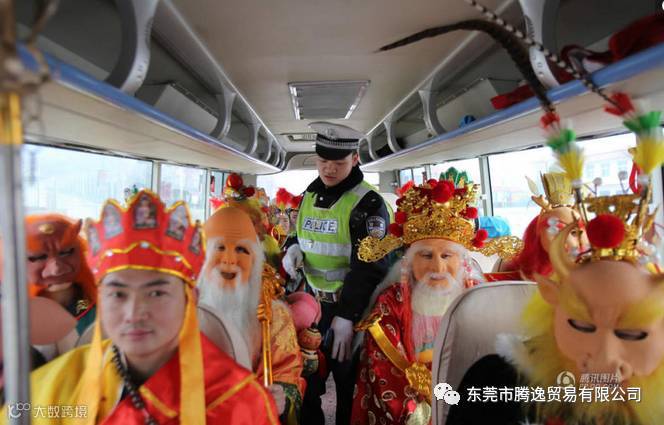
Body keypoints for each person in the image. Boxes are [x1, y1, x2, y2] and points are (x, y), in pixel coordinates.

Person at [2, 191, 279, 424]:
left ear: (190, 300)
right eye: (118, 294)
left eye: (156, 293)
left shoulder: (238, 402)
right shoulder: (50, 389)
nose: (134, 313)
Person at [351, 175, 520, 424]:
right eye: (427, 256)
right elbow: (384, 370)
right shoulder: (392, 302)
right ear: (410, 261)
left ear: (461, 261)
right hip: (417, 404)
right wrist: (421, 413)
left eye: (447, 255)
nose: (438, 268)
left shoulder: (478, 297)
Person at [281, 122, 392, 425]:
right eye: (322, 161)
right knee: (307, 381)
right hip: (313, 306)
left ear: (355, 159)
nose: (328, 169)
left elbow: (371, 266)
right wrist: (293, 247)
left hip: (352, 310)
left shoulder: (368, 203)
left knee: (349, 388)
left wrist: (347, 316)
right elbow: (300, 231)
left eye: (338, 163)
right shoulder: (310, 194)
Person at [199, 204, 305, 425]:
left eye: (241, 250)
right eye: (219, 247)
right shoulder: (178, 309)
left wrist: (282, 397)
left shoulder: (275, 315)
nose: (229, 259)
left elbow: (288, 373)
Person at [492, 172, 590, 281]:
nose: (569, 241)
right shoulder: (510, 270)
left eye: (575, 232)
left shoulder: (590, 269)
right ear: (538, 234)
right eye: (556, 232)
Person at [24, 214, 97, 337]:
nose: (56, 270)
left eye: (66, 252)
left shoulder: (99, 304)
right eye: (39, 257)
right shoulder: (15, 315)